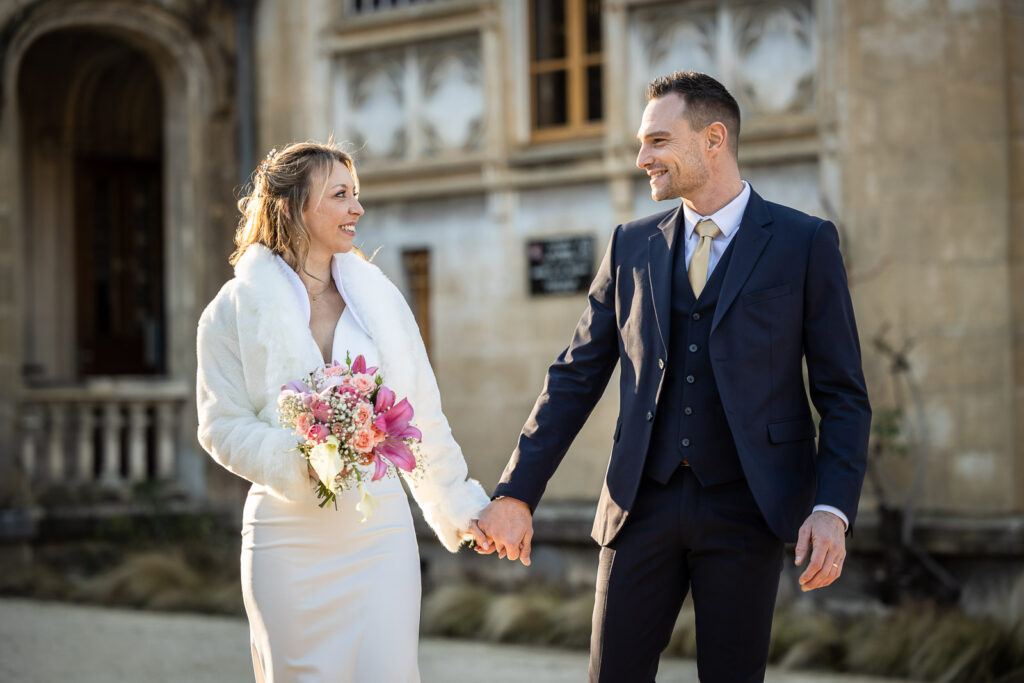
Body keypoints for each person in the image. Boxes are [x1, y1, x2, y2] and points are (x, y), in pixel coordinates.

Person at [477, 71, 871, 682]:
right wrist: (516, 491)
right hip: (640, 505)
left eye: (658, 141)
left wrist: (832, 507)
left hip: (749, 507)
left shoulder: (803, 242)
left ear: (714, 138)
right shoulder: (631, 245)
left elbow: (843, 393)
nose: (642, 159)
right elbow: (575, 377)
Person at [195, 141, 490, 682]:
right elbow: (220, 424)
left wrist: (459, 506)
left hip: (379, 534)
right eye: (339, 196)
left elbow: (420, 414)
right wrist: (296, 456)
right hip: (286, 536)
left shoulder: (380, 299)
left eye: (356, 195)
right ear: (290, 207)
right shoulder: (231, 310)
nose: (357, 209)